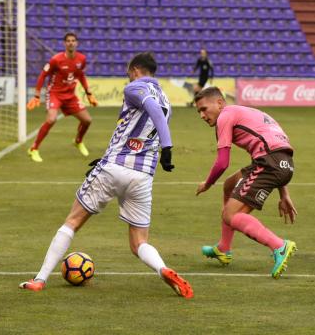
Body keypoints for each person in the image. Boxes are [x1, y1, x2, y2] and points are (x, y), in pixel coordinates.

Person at [20, 52, 193, 299]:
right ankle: (162, 268)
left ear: (135, 69)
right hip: (142, 175)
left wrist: (168, 147)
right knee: (139, 242)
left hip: (114, 168)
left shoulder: (135, 87)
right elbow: (142, 127)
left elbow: (149, 107)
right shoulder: (166, 98)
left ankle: (39, 279)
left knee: (72, 221)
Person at [194, 87, 297, 279]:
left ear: (219, 103)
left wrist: (207, 184)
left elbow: (222, 162)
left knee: (230, 214)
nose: (202, 115)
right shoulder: (247, 112)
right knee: (229, 185)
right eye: (198, 111)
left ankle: (279, 246)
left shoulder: (225, 116)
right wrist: (284, 194)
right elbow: (279, 147)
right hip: (283, 163)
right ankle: (224, 248)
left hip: (269, 163)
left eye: (204, 109)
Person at [27, 32, 98, 163]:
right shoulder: (56, 59)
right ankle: (34, 149)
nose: (71, 43)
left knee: (87, 120)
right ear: (64, 44)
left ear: (76, 43)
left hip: (70, 96)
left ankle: (78, 141)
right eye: (68, 41)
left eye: (73, 40)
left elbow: (81, 75)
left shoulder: (81, 59)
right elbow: (43, 75)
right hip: (55, 94)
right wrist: (36, 95)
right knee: (51, 119)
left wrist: (89, 94)